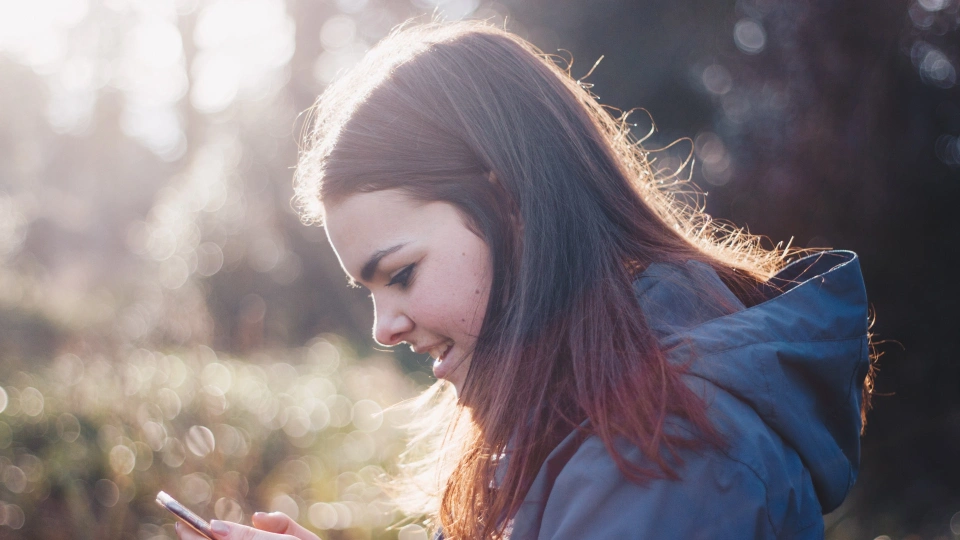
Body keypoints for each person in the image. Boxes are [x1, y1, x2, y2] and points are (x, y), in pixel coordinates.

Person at [176, 20, 873, 540]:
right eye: (371, 292)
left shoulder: (666, 452)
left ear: (510, 204)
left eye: (400, 274)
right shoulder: (593, 412)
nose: (383, 327)